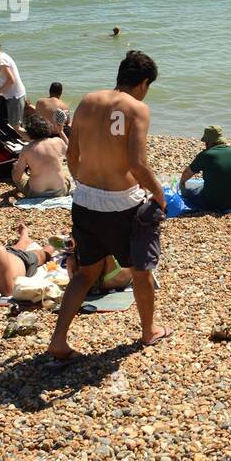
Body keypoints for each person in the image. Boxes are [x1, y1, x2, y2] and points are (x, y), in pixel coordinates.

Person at [46, 50, 170, 360]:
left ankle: (59, 341)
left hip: (84, 200)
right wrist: (159, 195)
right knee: (141, 270)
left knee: (85, 274)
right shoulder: (137, 109)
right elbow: (137, 165)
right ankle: (148, 332)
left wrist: (83, 183)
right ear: (143, 82)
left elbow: (71, 154)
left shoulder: (87, 101)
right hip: (121, 206)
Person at [179, 125, 231, 213]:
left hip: (213, 204)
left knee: (188, 190)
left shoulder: (206, 155)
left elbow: (186, 173)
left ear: (208, 142)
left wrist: (181, 185)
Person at [12, 114, 71, 198]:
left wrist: (16, 168)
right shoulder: (58, 141)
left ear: (29, 132)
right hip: (60, 191)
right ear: (48, 128)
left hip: (36, 193)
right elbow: (72, 154)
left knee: (15, 167)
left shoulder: (27, 149)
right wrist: (60, 131)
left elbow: (17, 178)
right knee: (64, 169)